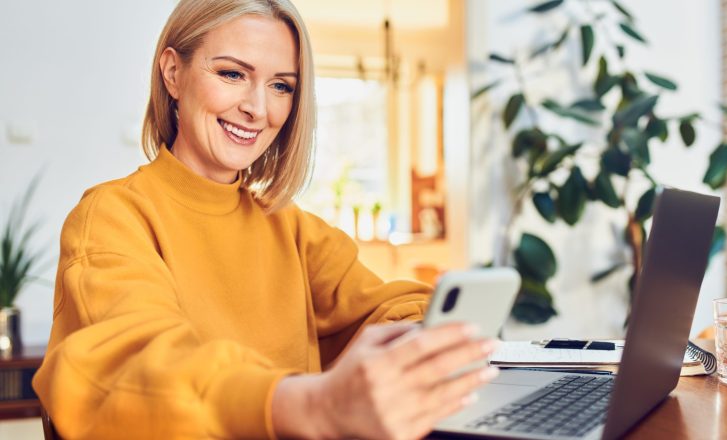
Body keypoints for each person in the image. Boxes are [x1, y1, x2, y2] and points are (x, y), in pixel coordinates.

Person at [32, 1, 498, 438]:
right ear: (173, 73)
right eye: (233, 74)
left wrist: (419, 340)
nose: (258, 108)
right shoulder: (113, 216)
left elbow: (387, 304)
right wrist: (311, 403)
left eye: (281, 85)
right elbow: (139, 368)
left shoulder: (288, 227)